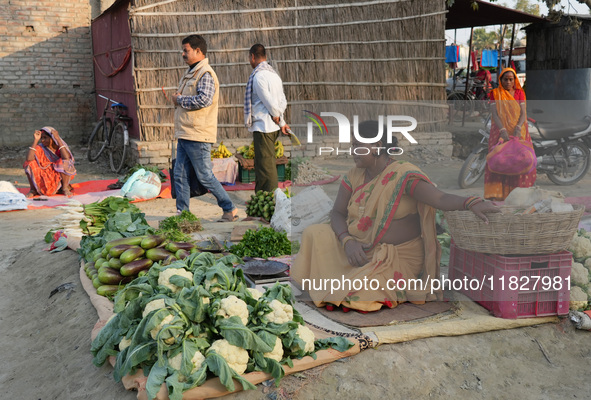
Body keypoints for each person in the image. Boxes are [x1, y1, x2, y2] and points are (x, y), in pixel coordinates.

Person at [291, 120, 499, 313]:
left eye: (357, 145)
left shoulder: (403, 174)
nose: (352, 151)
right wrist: (347, 241)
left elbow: (440, 198)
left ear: (376, 146)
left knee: (359, 297)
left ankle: (347, 284)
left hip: (395, 257)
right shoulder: (354, 175)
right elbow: (337, 212)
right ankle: (337, 279)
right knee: (313, 233)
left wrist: (470, 202)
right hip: (356, 249)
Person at [172, 34, 237, 221]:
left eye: (186, 50)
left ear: (198, 51)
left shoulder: (205, 73)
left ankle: (230, 208)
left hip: (198, 134)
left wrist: (179, 99)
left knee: (205, 176)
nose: (183, 54)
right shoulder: (191, 73)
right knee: (180, 175)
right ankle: (182, 214)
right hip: (186, 132)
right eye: (183, 50)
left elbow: (204, 99)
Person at [244, 44, 291, 192]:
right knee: (263, 163)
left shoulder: (258, 76)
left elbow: (269, 102)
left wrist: (278, 116)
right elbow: (283, 101)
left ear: (252, 56)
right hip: (273, 126)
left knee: (266, 165)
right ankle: (261, 195)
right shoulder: (274, 75)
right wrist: (281, 120)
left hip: (264, 126)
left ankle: (271, 198)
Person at [484, 67, 536, 201]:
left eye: (510, 79)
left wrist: (518, 128)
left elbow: (523, 113)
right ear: (500, 80)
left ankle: (518, 194)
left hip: (519, 131)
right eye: (505, 79)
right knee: (499, 159)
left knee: (518, 159)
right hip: (500, 131)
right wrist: (502, 130)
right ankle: (498, 194)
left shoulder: (520, 93)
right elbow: (494, 113)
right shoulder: (495, 93)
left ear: (514, 80)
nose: (508, 82)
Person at [24, 126, 76, 197]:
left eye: (45, 138)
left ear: (52, 138)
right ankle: (33, 190)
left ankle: (64, 188)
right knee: (28, 164)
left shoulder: (59, 146)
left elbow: (66, 158)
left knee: (64, 162)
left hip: (58, 171)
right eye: (41, 138)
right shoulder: (41, 147)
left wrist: (57, 138)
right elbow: (29, 158)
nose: (42, 140)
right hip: (45, 171)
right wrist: (36, 140)